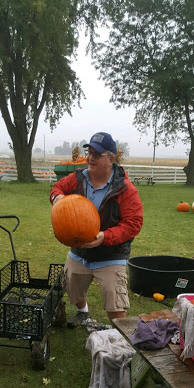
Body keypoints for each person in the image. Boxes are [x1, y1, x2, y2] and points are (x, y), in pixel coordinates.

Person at [50, 132, 143, 328]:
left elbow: (133, 223)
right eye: (89, 152)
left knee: (115, 299)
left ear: (110, 158)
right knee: (72, 286)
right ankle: (82, 312)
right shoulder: (77, 178)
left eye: (97, 154)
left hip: (111, 252)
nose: (90, 158)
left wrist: (104, 237)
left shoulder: (125, 189)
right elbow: (57, 187)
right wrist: (57, 198)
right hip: (79, 250)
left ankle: (119, 331)